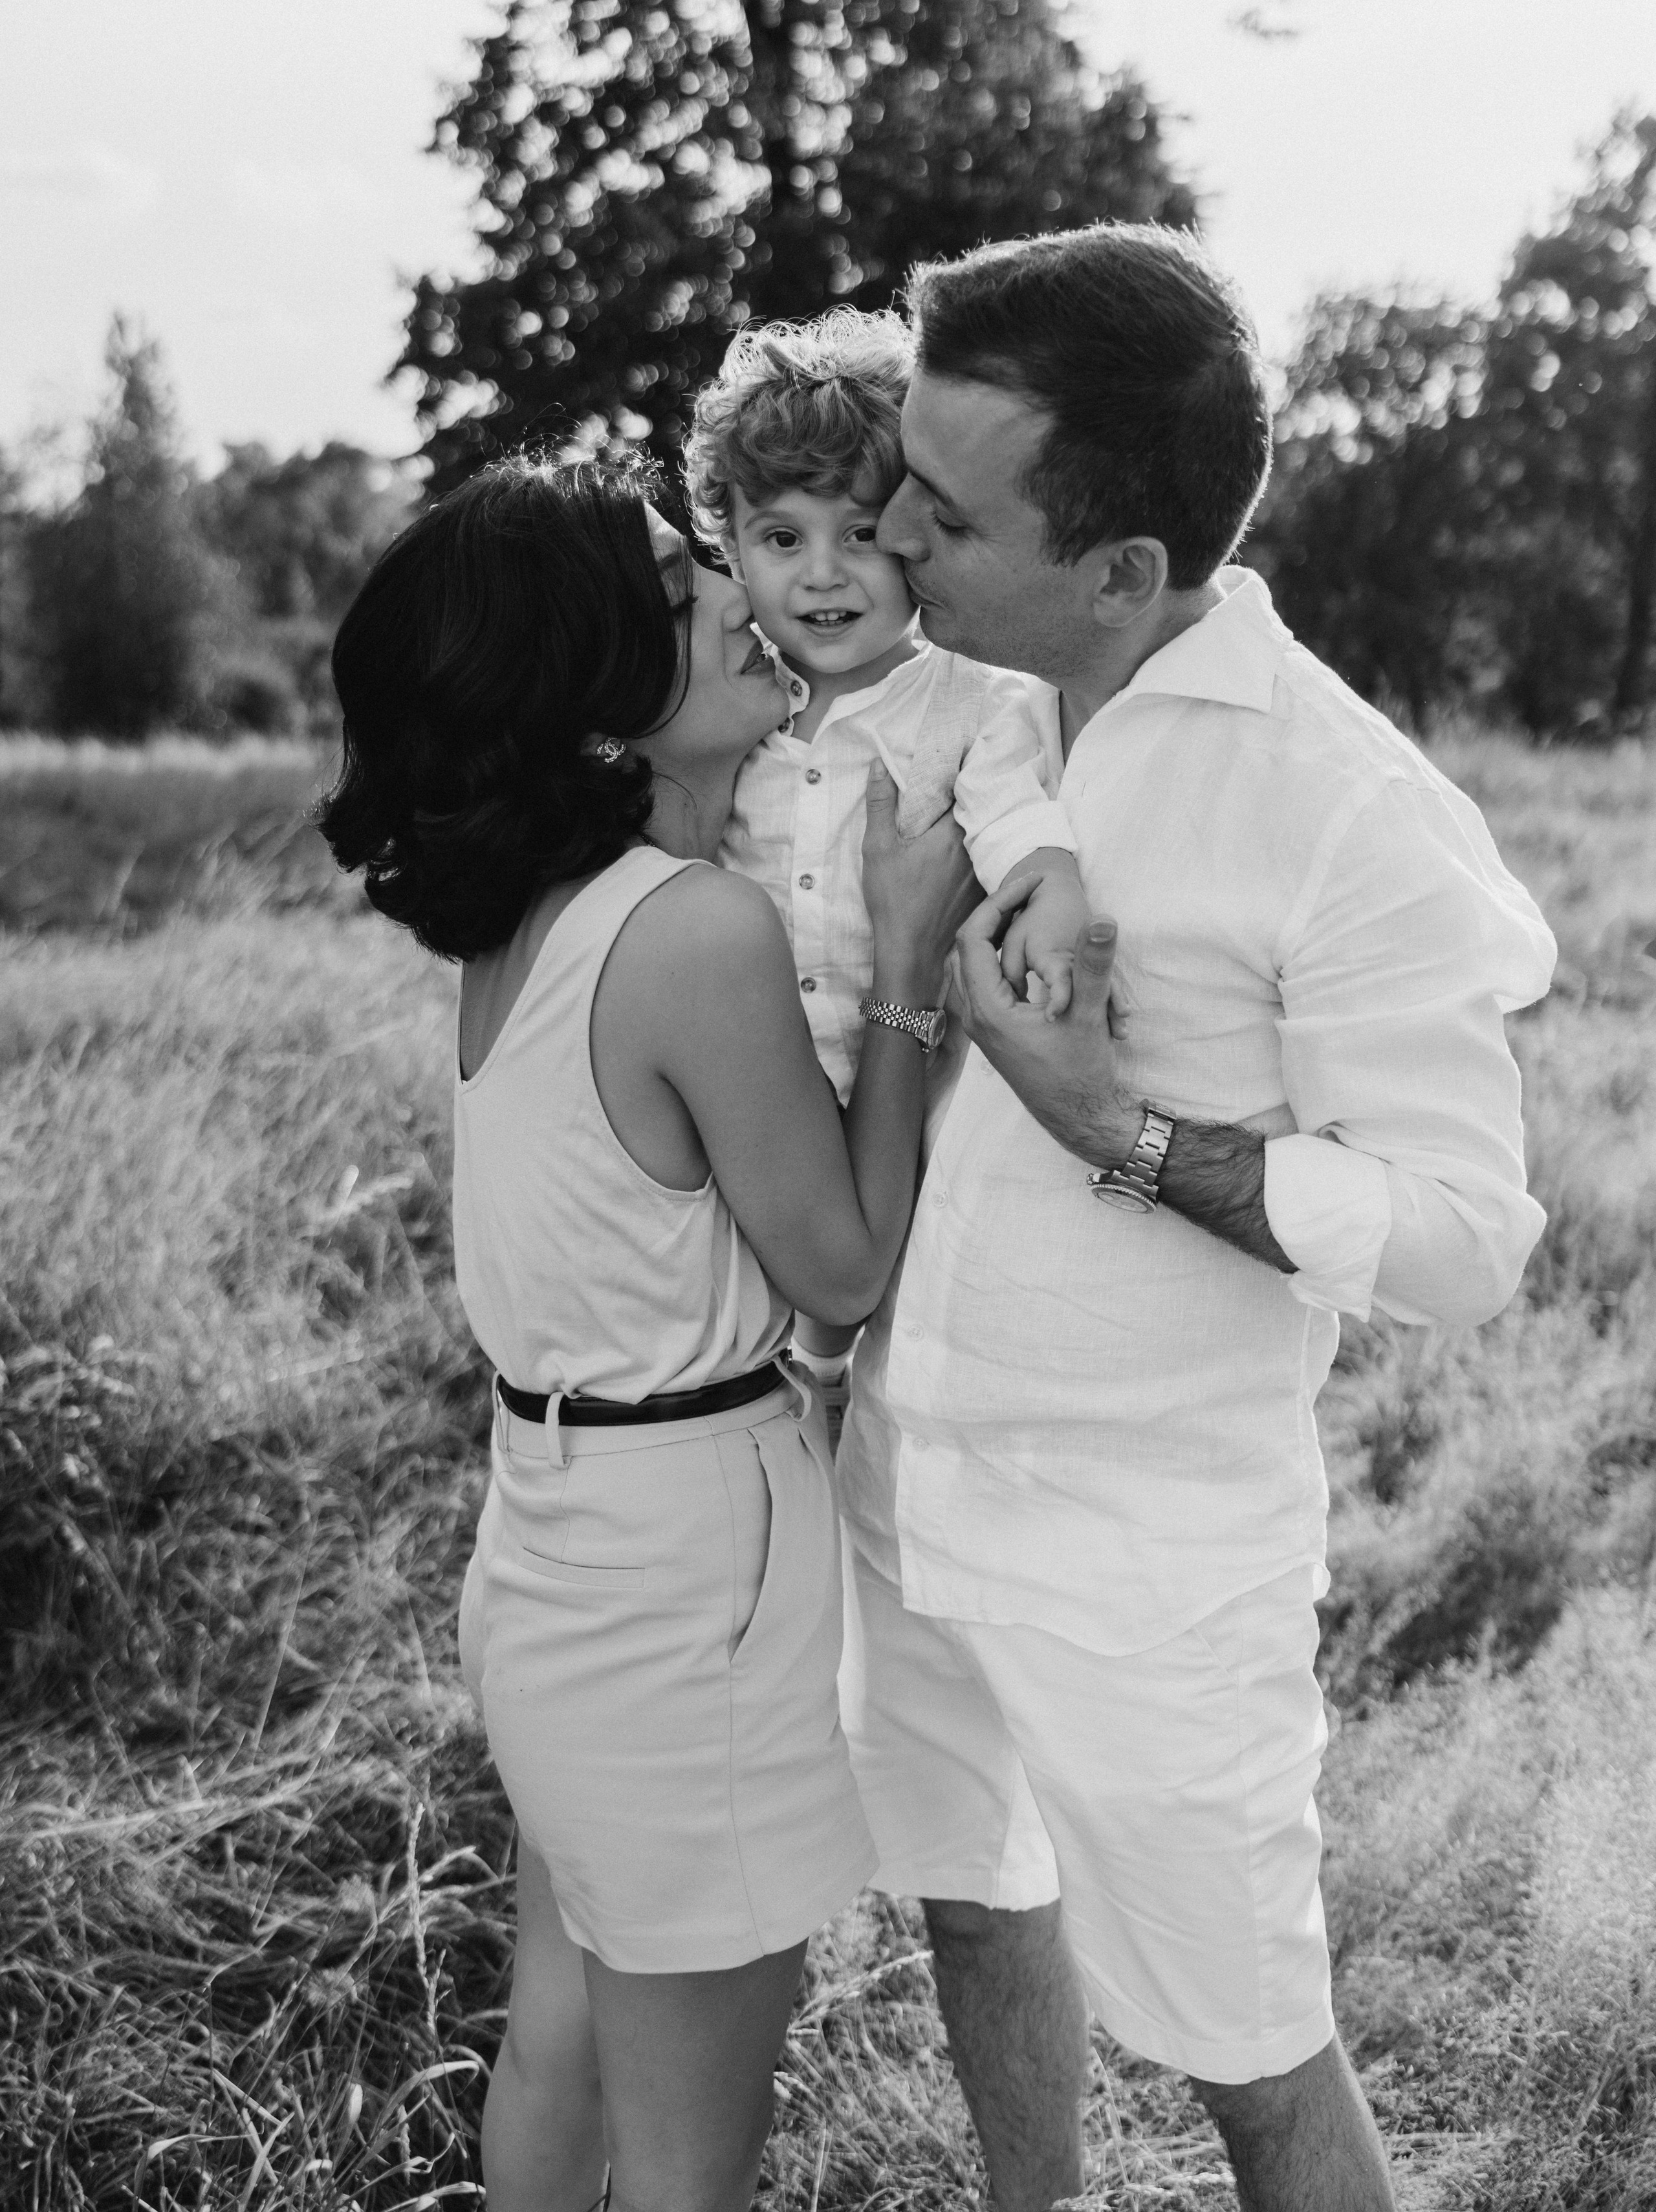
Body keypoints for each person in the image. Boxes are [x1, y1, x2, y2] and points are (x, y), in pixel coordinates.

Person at [834, 223, 1558, 2212]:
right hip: (911, 1474)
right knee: (976, 1914)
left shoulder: (1339, 806)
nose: (892, 527)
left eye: (944, 506)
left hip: (1149, 1552)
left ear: (1125, 571)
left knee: (1254, 2056)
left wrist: (1119, 1124)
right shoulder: (962, 702)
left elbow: (1465, 1236)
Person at [318, 456, 979, 2212]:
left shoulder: (533, 916)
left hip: (551, 1547)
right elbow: (837, 1264)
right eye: (690, 583)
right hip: (692, 1573)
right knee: (692, 2157)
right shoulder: (692, 930)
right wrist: (911, 971)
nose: (744, 595)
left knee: (561, 2036)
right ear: (600, 685)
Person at [684, 310, 1087, 1419]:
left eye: (858, 535)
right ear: (729, 541)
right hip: (757, 1094)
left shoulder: (971, 699)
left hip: (915, 1088)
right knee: (751, 1316)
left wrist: (1048, 884)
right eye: (781, 540)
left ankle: (838, 1394)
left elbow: (1010, 818)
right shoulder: (736, 708)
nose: (823, 576)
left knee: (878, 1314)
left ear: (913, 530)